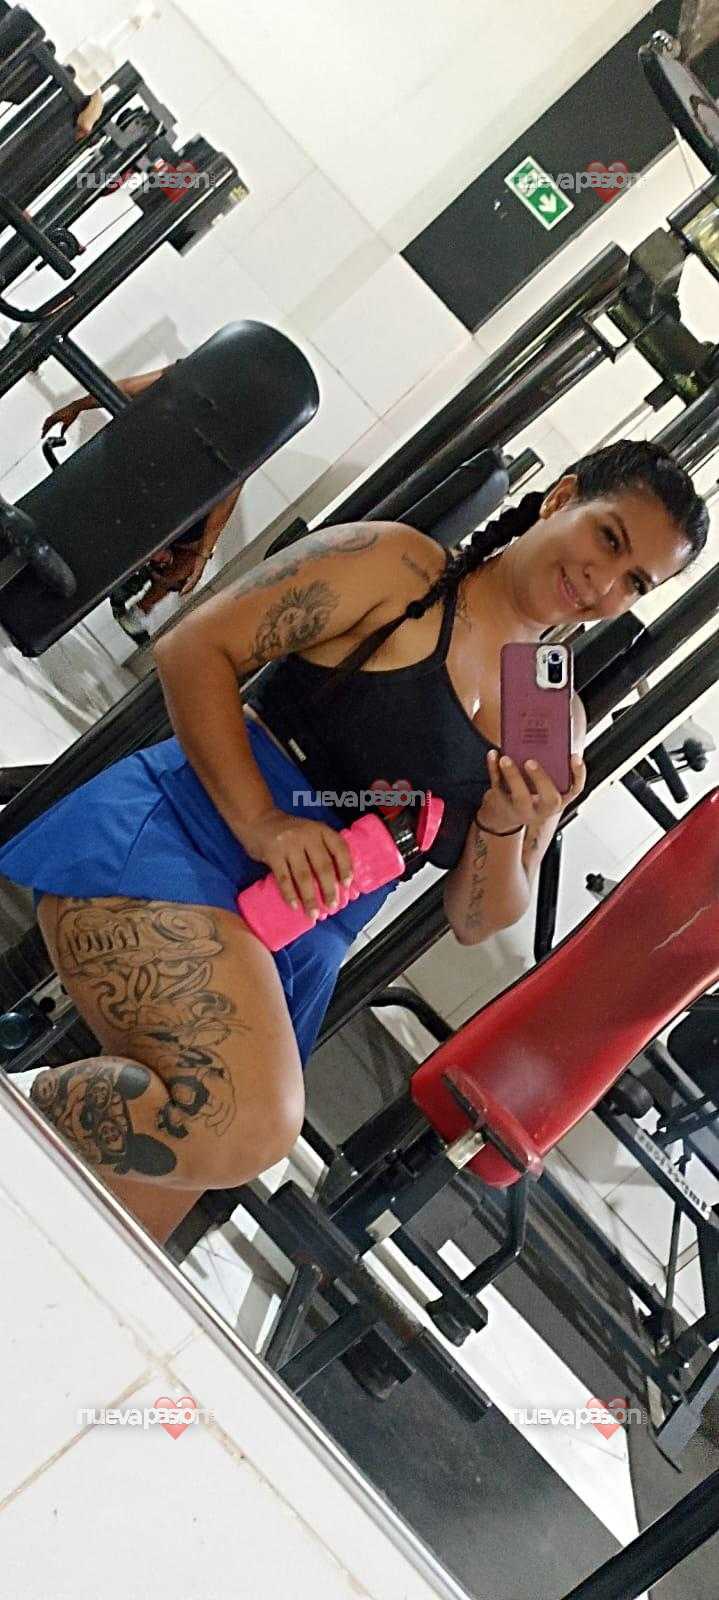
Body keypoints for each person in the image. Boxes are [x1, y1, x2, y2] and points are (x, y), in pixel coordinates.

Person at [0, 439, 708, 1250]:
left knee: (117, 1236)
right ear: (562, 498)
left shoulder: (549, 715)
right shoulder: (396, 571)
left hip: (296, 946)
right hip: (178, 842)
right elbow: (193, 647)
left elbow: (478, 917)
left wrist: (505, 822)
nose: (602, 583)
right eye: (608, 539)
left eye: (634, 582)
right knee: (246, 1123)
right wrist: (263, 822)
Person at [42, 369, 242, 639]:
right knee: (186, 550)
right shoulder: (192, 375)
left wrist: (203, 554)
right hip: (141, 491)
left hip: (176, 509)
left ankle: (141, 606)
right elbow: (128, 386)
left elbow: (231, 490)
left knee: (189, 559)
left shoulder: (243, 432)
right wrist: (77, 405)